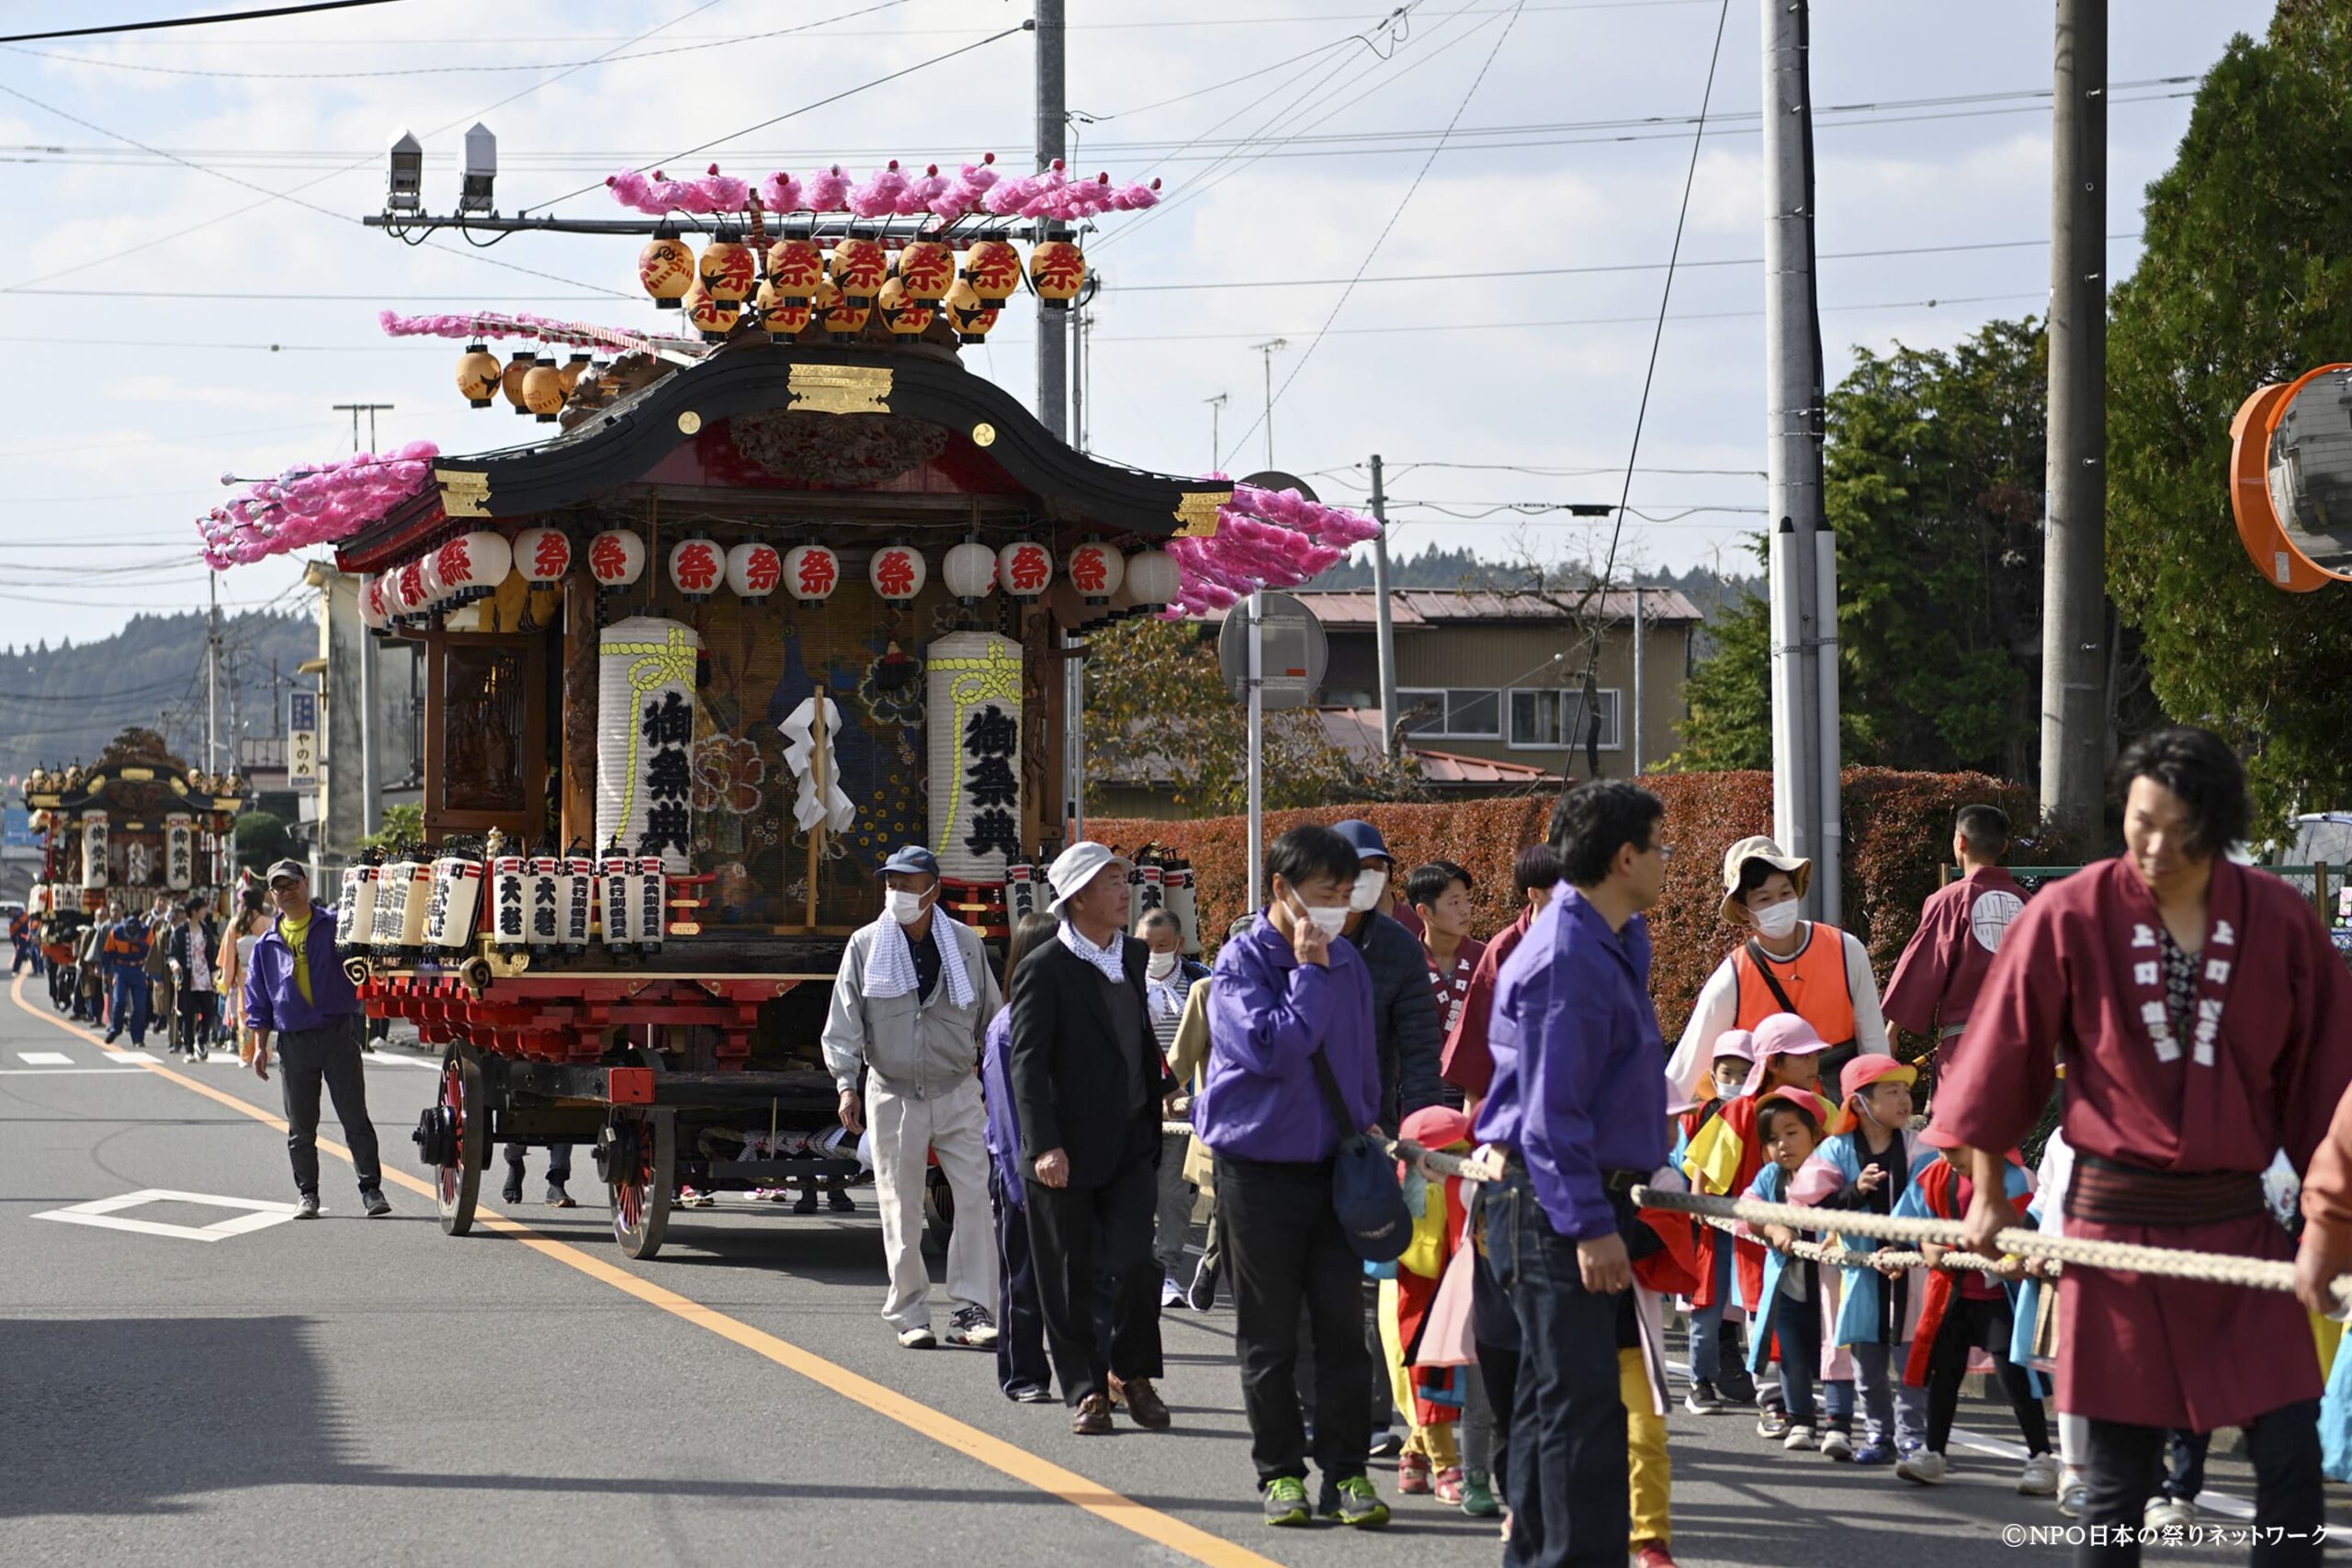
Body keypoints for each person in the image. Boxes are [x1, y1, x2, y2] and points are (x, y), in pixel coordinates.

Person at [1945, 728, 2352, 1567]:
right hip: (2115, 1230)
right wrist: (1988, 1191)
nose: (2158, 847)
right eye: (2141, 824)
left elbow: (2327, 1085)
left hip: (2237, 1221)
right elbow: (2001, 1057)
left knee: (2289, 1453)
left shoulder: (2279, 919)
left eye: (2182, 828)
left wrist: (2328, 1229)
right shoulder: (2070, 913)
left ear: (2220, 826)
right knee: (2118, 1476)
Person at [1477, 780, 1672, 1568]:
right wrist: (1590, 1225)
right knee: (1582, 1411)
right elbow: (1553, 1113)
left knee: (1551, 1402)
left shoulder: (1604, 936)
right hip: (1557, 1199)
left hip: (1560, 1193)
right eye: (1659, 847)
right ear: (1624, 857)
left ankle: (1534, 1558)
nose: (1667, 862)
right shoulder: (1571, 952)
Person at [1198, 823, 1387, 1529]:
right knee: (1270, 1331)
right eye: (1324, 893)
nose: (1338, 907)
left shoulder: (1353, 964)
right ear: (1281, 888)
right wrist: (1308, 972)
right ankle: (1279, 1472)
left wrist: (1368, 1118)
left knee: (1343, 1328)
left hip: (1334, 1164)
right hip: (1257, 1169)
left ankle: (1348, 1473)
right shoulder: (1240, 962)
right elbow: (1272, 1049)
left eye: (1346, 893)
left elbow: (1363, 1059)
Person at [1010, 841, 1173, 1436]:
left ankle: (1132, 1374)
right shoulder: (1043, 967)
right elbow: (1025, 1065)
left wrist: (1166, 1085)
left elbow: (1132, 1037)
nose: (1124, 891)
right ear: (1078, 897)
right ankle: (1085, 1388)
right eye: (1111, 883)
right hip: (1066, 1151)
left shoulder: (1132, 954)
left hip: (1131, 1141)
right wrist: (1043, 1143)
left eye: (1124, 880)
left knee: (1135, 1261)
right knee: (1070, 1271)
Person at [821, 844, 1002, 1352]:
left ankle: (973, 1310)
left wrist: (998, 1085)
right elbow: (844, 1020)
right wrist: (845, 1083)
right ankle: (909, 1313)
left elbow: (994, 1017)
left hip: (957, 1088)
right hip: (892, 1090)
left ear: (933, 890)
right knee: (899, 1206)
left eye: (907, 883)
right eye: (891, 883)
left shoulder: (965, 942)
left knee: (974, 1199)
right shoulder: (865, 942)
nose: (896, 892)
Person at [1682, 1011, 1840, 1442]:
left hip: (1819, 1237)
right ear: (1773, 1062)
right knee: (1767, 1316)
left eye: (1815, 1056)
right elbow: (1702, 1167)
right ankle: (1773, 1404)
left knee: (1822, 1320)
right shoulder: (1739, 1112)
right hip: (1759, 1240)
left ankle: (1821, 1411)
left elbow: (1845, 1161)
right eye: (1803, 1057)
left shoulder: (1823, 1109)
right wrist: (1700, 1201)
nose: (1814, 1065)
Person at [1664, 836, 1892, 1113]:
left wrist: (1882, 1113)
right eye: (1764, 899)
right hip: (1773, 1127)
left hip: (1843, 1118)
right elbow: (1687, 1067)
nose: (1778, 904)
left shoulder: (1846, 950)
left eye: (1785, 893)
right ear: (1742, 909)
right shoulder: (1732, 978)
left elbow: (1874, 1046)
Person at [1895, 1140, 2053, 1492]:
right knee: (1944, 1372)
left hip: (2001, 1294)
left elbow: (2034, 1228)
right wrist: (1924, 1243)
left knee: (2013, 1375)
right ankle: (1932, 1452)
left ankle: (2041, 1456)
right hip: (1952, 1292)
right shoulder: (1933, 1174)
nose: (1946, 1158)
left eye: (1954, 1150)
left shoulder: (2015, 1178)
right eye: (1941, 1149)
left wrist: (2011, 1256)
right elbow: (1905, 1221)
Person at [1806, 1055, 1936, 1465]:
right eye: (1891, 1091)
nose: (1904, 1100)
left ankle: (1913, 1436)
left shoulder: (1920, 1146)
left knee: (1913, 1362)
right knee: (1868, 1367)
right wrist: (1854, 1191)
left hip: (1911, 1267)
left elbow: (1933, 1206)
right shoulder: (1835, 1149)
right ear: (1860, 1104)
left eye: (1905, 1090)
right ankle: (1879, 1435)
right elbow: (1810, 1203)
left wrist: (1906, 1250)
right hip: (1858, 1272)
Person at [243, 859, 390, 1220]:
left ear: (304, 883)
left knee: (354, 1116)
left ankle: (371, 1190)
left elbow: (364, 954)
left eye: (291, 883)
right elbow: (258, 999)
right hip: (293, 1042)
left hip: (337, 1033)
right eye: (278, 886)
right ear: (272, 894)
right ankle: (307, 1194)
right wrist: (259, 1046)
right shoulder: (267, 944)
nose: (286, 890)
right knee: (301, 1126)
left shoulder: (335, 925)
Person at [1882, 805, 2030, 1078]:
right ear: (2004, 846)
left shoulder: (1951, 900)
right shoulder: (2028, 904)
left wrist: (1892, 1032)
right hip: (2023, 1048)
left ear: (1960, 841)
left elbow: (1925, 966)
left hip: (1966, 1047)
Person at [983, 911, 1066, 1404]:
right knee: (1024, 1281)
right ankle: (1023, 1374)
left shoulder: (1069, 1015)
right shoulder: (1008, 1025)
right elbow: (1010, 1118)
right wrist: (1022, 1185)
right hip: (1022, 1173)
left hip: (1067, 1169)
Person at [1737, 1088, 1844, 1456]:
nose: (1782, 1145)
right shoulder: (1770, 1178)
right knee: (1793, 1356)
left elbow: (1850, 1208)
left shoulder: (1835, 1170)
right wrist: (1773, 1228)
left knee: (1836, 1353)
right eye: (1772, 1139)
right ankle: (1800, 1419)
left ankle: (1838, 1423)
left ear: (1816, 1133)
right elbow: (1748, 1209)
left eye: (1791, 1132)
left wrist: (1836, 1231)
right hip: (1790, 1285)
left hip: (1834, 1286)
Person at [1440, 843, 1567, 1114]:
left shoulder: (1588, 940)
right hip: (1518, 1100)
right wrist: (1471, 1125)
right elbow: (1478, 1041)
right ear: (1535, 894)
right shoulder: (1504, 950)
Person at [1674, 1029, 1760, 1416]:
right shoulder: (1696, 1115)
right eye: (1727, 1073)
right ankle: (1700, 1382)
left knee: (1756, 1311)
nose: (1735, 1082)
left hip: (1752, 1227)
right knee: (1707, 1310)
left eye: (1745, 1073)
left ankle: (1770, 1388)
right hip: (1708, 1228)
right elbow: (1681, 1163)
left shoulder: (1765, 1112)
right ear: (1712, 1071)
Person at [1138, 907, 1210, 1308]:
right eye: (1145, 945)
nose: (1153, 953)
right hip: (1133, 1106)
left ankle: (1166, 1271)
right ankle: (1130, 1266)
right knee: (1132, 1192)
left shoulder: (1200, 983)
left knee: (1174, 1195)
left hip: (1180, 1108)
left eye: (1161, 946)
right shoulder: (1125, 981)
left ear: (1179, 945)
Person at [1409, 860, 1486, 1078]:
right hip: (1422, 1085)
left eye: (1466, 900)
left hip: (1476, 1084)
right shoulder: (1407, 963)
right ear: (1425, 912)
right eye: (1454, 903)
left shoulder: (1485, 957)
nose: (1465, 910)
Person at [218, 892, 270, 1066]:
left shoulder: (235, 924)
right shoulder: (267, 923)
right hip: (263, 973)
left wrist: (227, 979)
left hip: (243, 973)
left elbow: (229, 955)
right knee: (264, 1011)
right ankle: (265, 1052)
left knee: (244, 1014)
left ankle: (246, 1054)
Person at [164, 897, 220, 1060]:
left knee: (209, 1011)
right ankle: (189, 1050)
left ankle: (201, 1040)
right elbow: (171, 953)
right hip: (188, 978)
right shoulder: (180, 932)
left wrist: (215, 974)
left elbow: (212, 954)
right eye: (203, 908)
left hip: (205, 978)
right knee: (188, 1015)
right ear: (195, 911)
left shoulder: (206, 931)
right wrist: (174, 964)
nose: (205, 911)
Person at [100, 897, 151, 1047]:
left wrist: (139, 945)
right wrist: (105, 971)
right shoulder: (116, 933)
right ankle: (115, 1028)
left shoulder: (146, 933)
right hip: (121, 970)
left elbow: (153, 953)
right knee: (119, 1000)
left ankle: (138, 1038)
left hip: (139, 969)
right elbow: (107, 953)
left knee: (140, 1005)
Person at [146, 895, 178, 1054]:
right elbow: (155, 952)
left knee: (186, 1007)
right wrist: (156, 977)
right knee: (171, 1006)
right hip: (166, 971)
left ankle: (188, 1037)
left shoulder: (189, 927)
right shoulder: (159, 925)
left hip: (186, 971)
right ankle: (174, 1040)